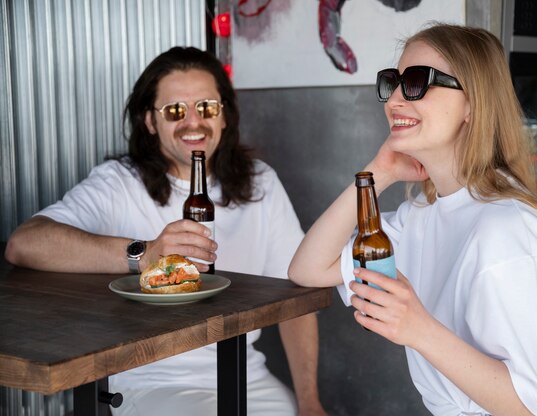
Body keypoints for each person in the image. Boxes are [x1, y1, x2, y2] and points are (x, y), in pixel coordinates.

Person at [5, 46, 326, 416]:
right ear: (150, 122)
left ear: (224, 116)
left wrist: (309, 402)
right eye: (175, 111)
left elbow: (296, 300)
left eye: (206, 107)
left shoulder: (261, 182)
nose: (194, 122)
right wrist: (143, 254)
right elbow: (24, 244)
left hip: (245, 374)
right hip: (152, 381)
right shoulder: (119, 183)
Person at [289, 23, 537, 416]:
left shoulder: (511, 234)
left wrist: (417, 328)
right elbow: (308, 269)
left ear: (473, 103)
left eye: (417, 81)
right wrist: (379, 172)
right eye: (392, 82)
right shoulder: (422, 219)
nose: (394, 98)